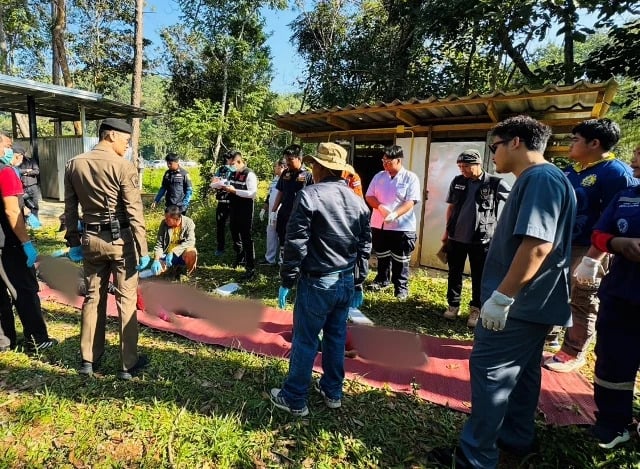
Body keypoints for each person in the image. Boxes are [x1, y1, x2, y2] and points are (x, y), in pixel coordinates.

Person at [430, 116, 576, 469]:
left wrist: (502, 298)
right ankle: (516, 440)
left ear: (515, 142)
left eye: (494, 146)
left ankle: (475, 456)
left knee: (491, 375)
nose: (491, 154)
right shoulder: (546, 178)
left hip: (517, 306)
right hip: (533, 306)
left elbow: (538, 245)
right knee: (523, 375)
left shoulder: (539, 179)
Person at [270, 142, 372, 416]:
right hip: (344, 281)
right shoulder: (357, 200)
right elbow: (365, 244)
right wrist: (359, 279)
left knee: (305, 339)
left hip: (317, 281)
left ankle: (294, 397)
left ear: (320, 167)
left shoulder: (310, 195)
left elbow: (296, 243)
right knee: (336, 337)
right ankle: (332, 391)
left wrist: (287, 280)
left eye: (314, 163)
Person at [544, 118, 638, 373]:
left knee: (583, 298)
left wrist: (594, 257)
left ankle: (573, 351)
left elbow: (620, 218)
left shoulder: (616, 173)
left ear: (595, 143)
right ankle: (550, 337)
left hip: (591, 249)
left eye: (575, 139)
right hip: (563, 243)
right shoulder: (572, 171)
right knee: (555, 291)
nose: (570, 144)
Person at [64, 118, 150, 380]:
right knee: (126, 300)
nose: (127, 146)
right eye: (125, 140)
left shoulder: (74, 164)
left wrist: (73, 240)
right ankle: (127, 364)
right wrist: (143, 250)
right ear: (111, 135)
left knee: (93, 298)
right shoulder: (123, 166)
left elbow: (70, 209)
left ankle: (88, 360)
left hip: (90, 240)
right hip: (120, 242)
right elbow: (135, 212)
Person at [585, 143, 640, 449]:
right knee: (613, 359)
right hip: (621, 292)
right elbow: (598, 234)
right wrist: (618, 243)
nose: (633, 159)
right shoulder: (627, 196)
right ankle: (612, 422)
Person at [0, 131, 56, 352]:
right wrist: (25, 242)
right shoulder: (5, 172)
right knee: (25, 290)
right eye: (7, 144)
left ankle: (4, 342)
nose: (10, 149)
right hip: (9, 244)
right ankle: (37, 339)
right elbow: (12, 210)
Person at [442, 149, 510, 327]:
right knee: (454, 273)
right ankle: (453, 305)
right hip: (456, 238)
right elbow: (451, 208)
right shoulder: (457, 181)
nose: (462, 170)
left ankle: (475, 309)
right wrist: (446, 233)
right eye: (460, 166)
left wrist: (503, 229)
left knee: (479, 276)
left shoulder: (496, 183)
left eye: (465, 166)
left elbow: (514, 205)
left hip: (481, 241)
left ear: (478, 164)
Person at [364, 144, 421, 300]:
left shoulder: (410, 177)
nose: (385, 164)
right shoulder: (379, 176)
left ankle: (401, 287)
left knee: (401, 259)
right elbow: (369, 196)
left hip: (402, 225)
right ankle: (382, 280)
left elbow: (411, 201)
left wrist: (395, 213)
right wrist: (381, 207)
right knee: (382, 255)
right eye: (383, 161)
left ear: (399, 160)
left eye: (389, 161)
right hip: (379, 223)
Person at [218, 151, 258, 280]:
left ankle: (250, 267)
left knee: (246, 237)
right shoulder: (234, 174)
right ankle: (240, 255)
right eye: (229, 163)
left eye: (232, 163)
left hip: (245, 209)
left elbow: (251, 193)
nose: (230, 166)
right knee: (234, 233)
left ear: (239, 161)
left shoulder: (249, 174)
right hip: (233, 207)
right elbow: (230, 187)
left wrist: (235, 191)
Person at [270, 144, 313, 255]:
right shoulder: (285, 173)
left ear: (299, 158)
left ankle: (297, 265)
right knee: (282, 237)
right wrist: (273, 211)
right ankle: (282, 262)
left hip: (300, 214)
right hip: (284, 212)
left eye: (290, 159)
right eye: (286, 159)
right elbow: (280, 191)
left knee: (297, 241)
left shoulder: (308, 174)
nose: (287, 162)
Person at [149, 205, 198, 277]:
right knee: (157, 272)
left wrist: (173, 251)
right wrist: (156, 259)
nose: (165, 220)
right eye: (165, 218)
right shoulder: (164, 224)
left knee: (191, 252)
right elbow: (159, 244)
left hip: (182, 254)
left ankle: (189, 273)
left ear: (176, 219)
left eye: (167, 219)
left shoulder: (188, 222)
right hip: (167, 256)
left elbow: (191, 241)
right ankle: (172, 268)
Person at [259, 157, 287, 266]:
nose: (274, 168)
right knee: (270, 233)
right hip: (271, 212)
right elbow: (269, 195)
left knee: (282, 235)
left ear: (282, 167)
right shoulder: (275, 179)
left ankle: (281, 261)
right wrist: (263, 209)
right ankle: (269, 259)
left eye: (276, 166)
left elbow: (285, 197)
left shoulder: (287, 179)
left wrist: (277, 210)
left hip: (280, 212)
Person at [211, 151, 236, 256]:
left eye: (230, 158)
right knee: (220, 226)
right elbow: (214, 181)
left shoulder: (238, 170)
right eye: (227, 159)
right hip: (222, 202)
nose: (228, 161)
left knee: (235, 226)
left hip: (234, 202)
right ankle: (220, 248)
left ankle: (237, 249)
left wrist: (228, 184)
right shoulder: (221, 170)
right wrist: (216, 183)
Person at [14, 144, 41, 219]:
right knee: (23, 206)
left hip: (33, 186)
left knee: (35, 205)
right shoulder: (17, 162)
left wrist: (26, 173)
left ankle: (35, 221)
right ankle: (26, 222)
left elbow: (36, 171)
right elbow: (16, 170)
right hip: (22, 187)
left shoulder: (32, 160)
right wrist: (26, 170)